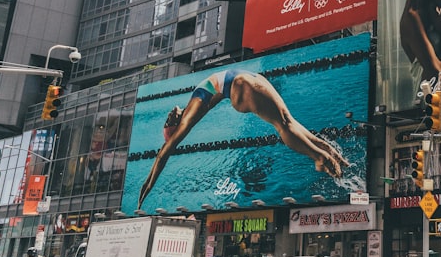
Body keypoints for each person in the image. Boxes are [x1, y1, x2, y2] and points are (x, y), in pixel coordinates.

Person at [138, 68, 350, 209]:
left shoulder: (194, 102)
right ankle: (322, 158)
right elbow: (163, 155)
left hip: (249, 80)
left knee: (288, 121)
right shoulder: (190, 113)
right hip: (243, 85)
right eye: (168, 123)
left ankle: (330, 155)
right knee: (283, 125)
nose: (168, 116)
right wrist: (144, 192)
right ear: (175, 127)